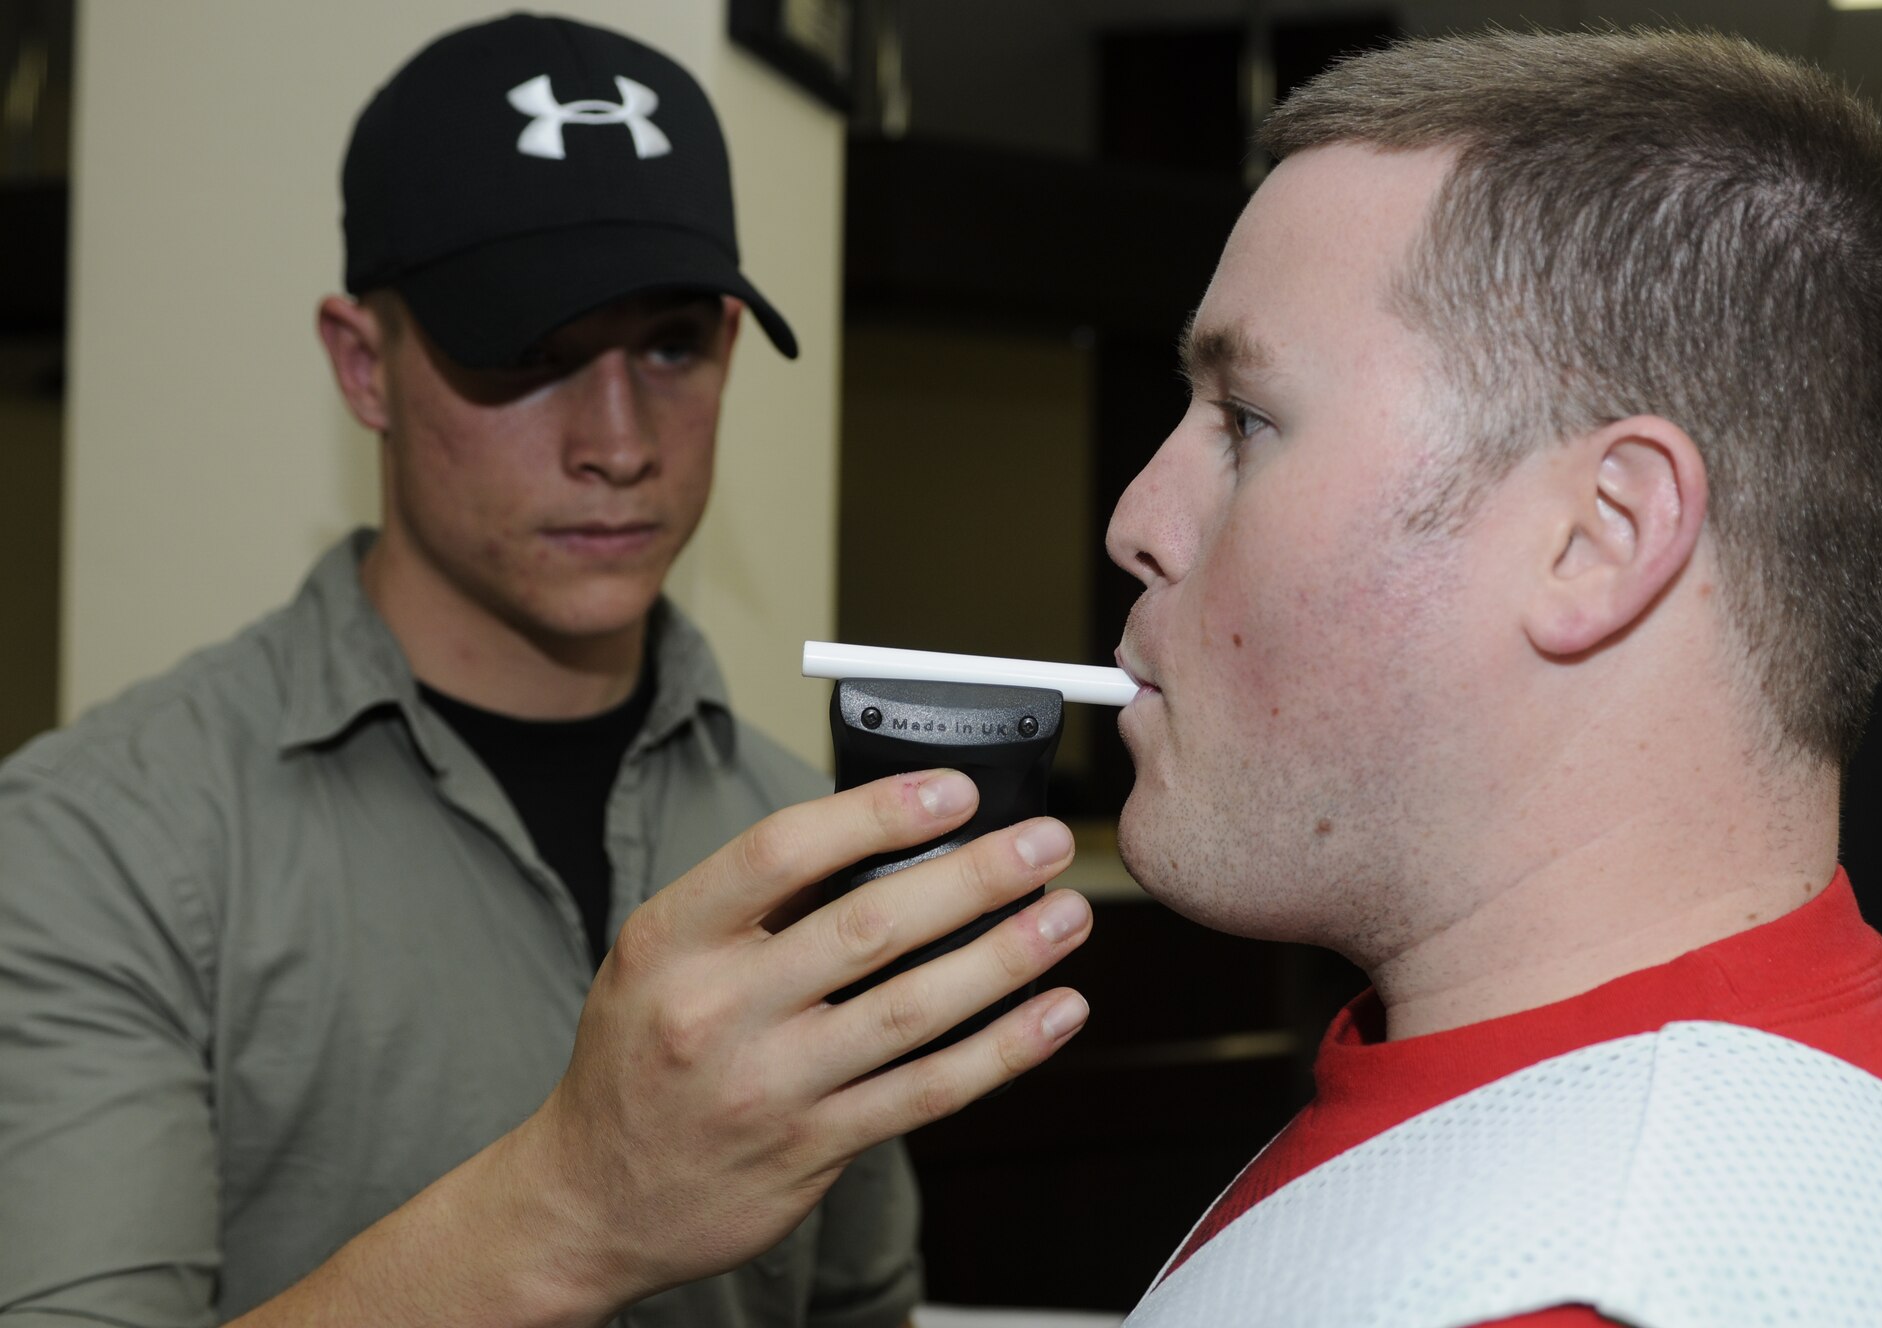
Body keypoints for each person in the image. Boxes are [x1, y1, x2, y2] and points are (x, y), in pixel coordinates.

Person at [0, 14, 1093, 1327]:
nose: (618, 441)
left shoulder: (803, 830)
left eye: (673, 345)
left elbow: (859, 1305)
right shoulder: (97, 843)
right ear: (366, 364)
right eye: (528, 352)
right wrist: (575, 1206)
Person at [1104, 28, 1882, 1328]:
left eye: (1246, 422)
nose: (1139, 516)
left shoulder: (1580, 1282)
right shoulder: (1746, 1077)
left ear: (1600, 538)